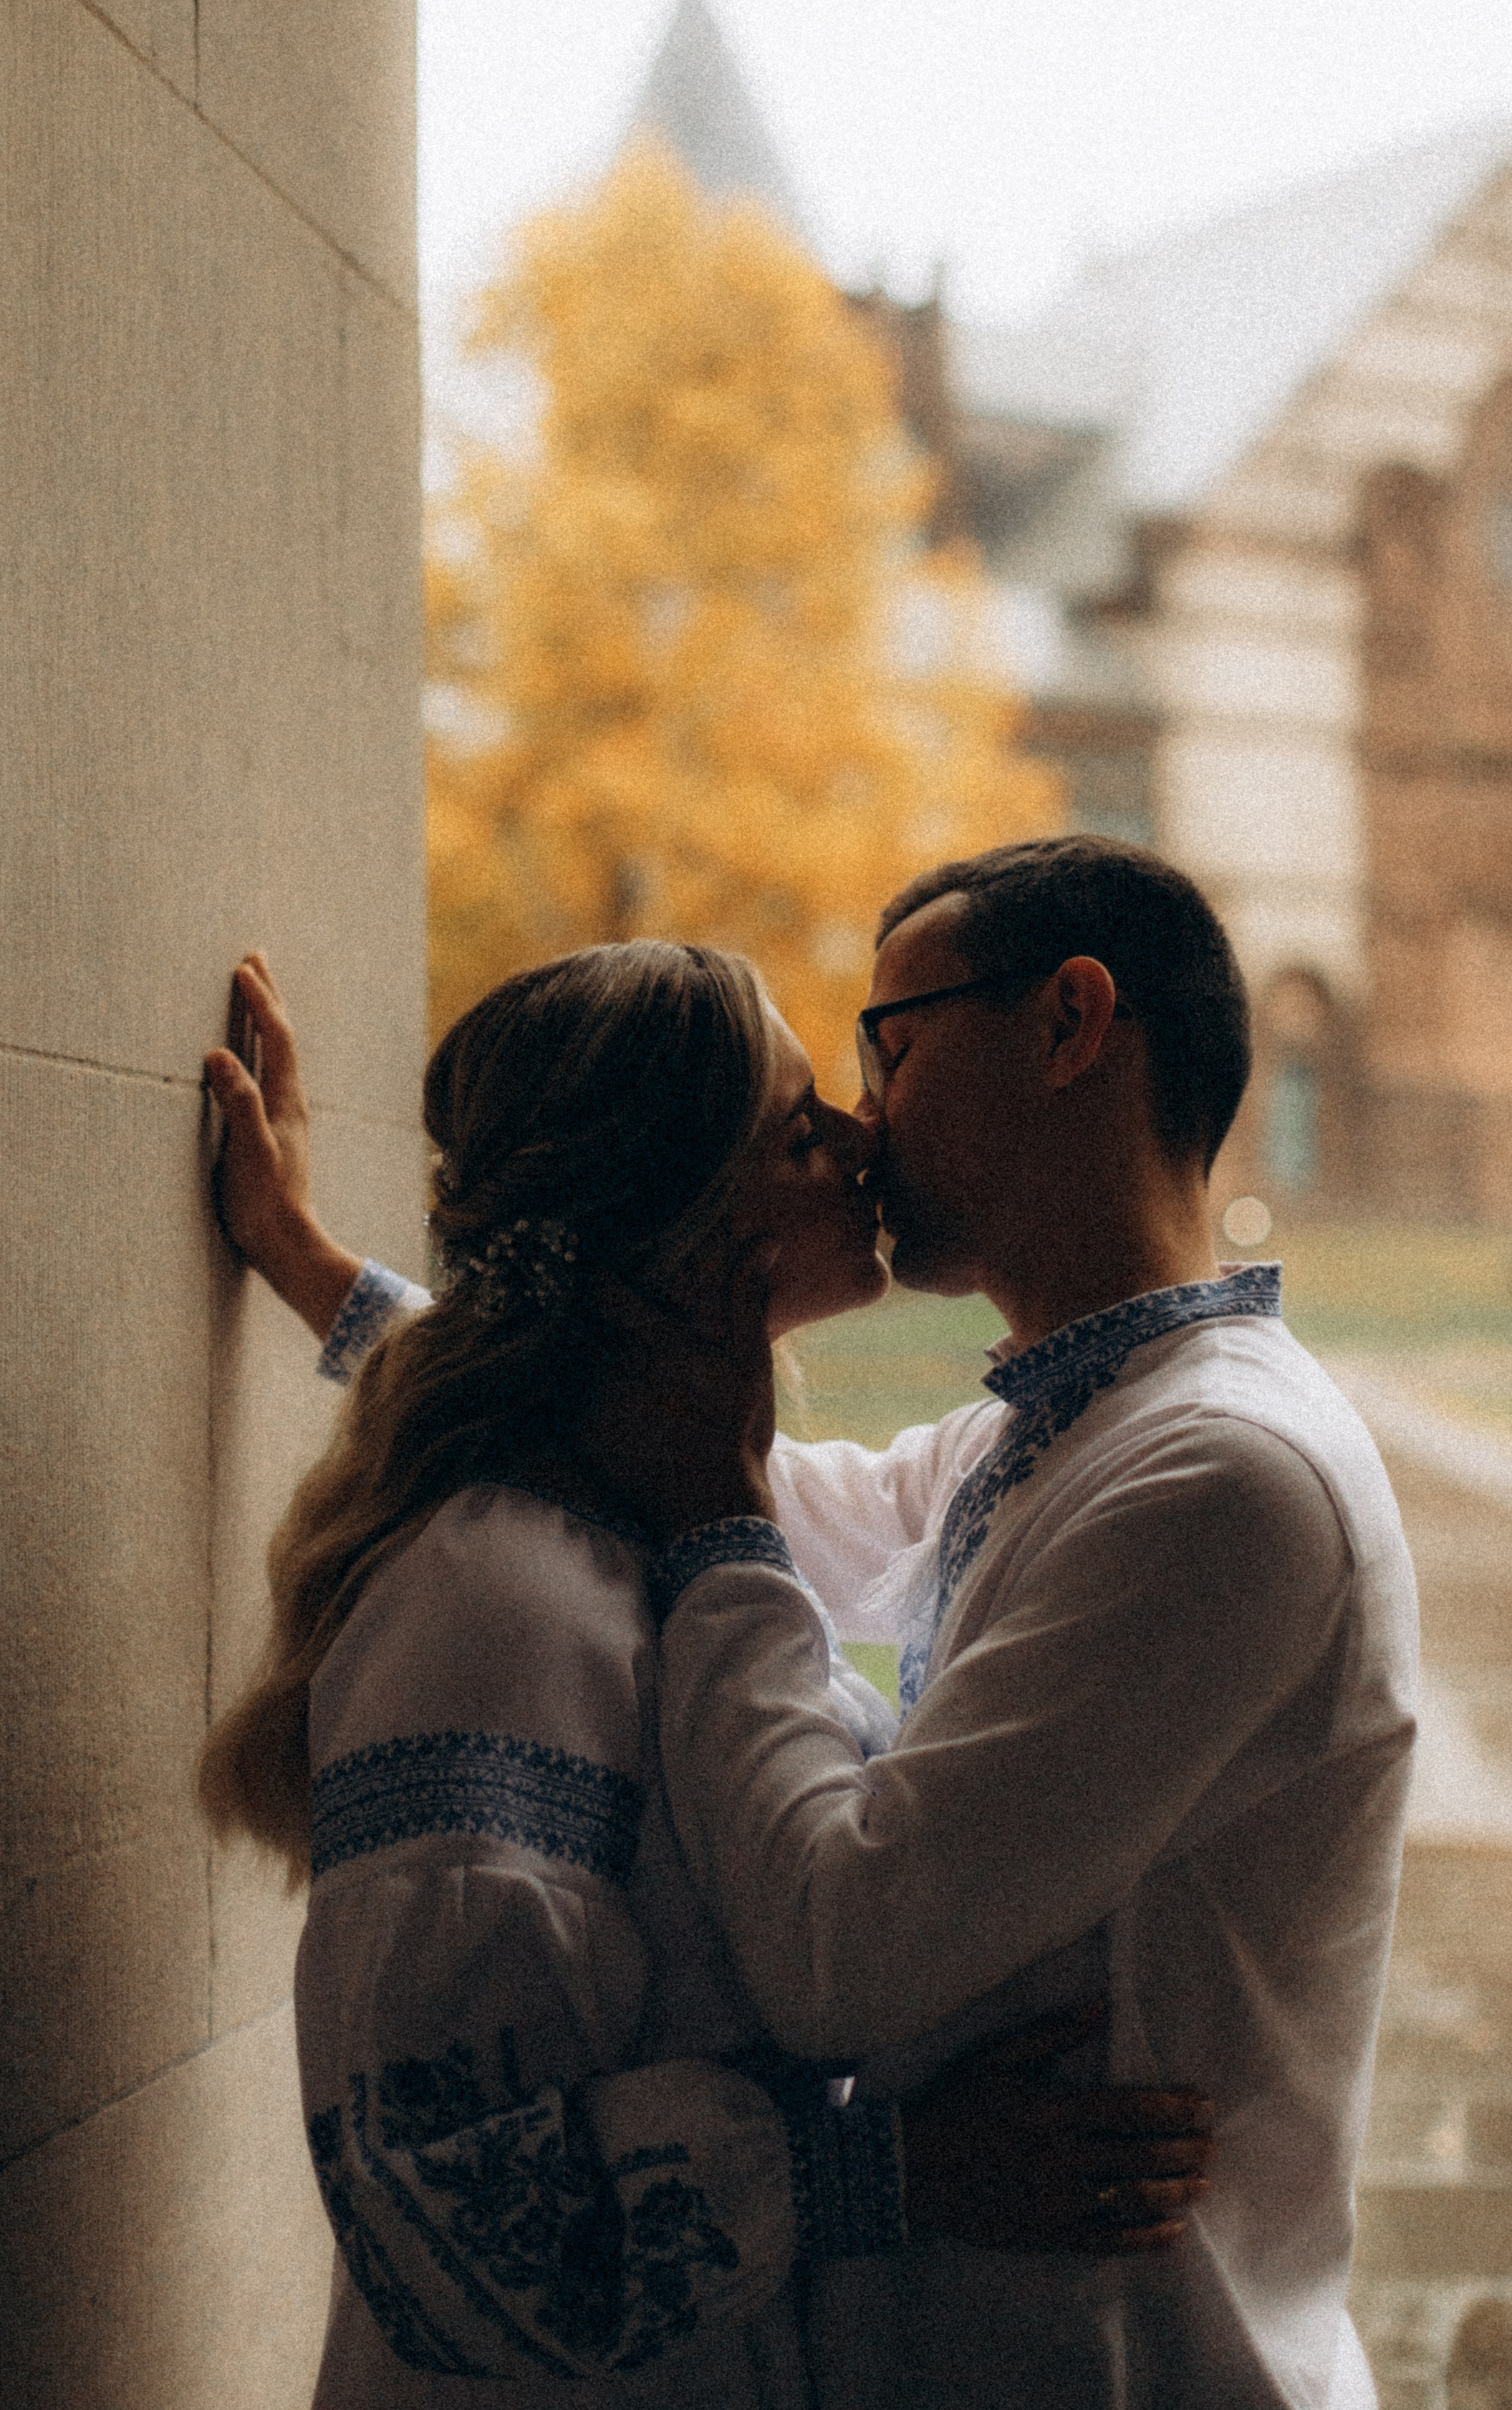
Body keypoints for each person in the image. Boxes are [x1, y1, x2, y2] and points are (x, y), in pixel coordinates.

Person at [230, 836, 1419, 2410]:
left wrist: (715, 1522)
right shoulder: (1051, 1437)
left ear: (1068, 1024)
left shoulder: (1218, 1475)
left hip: (1139, 2363)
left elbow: (832, 1950)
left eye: (889, 1049)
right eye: (813, 1114)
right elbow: (668, 1449)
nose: (863, 1127)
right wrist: (322, 1272)